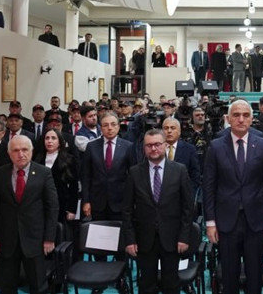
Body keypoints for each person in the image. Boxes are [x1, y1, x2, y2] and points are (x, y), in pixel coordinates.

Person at [203, 100, 263, 294]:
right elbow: (209, 187)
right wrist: (210, 222)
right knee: (229, 276)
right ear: (228, 119)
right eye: (236, 115)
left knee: (255, 275)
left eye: (245, 115)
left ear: (252, 119)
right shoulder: (216, 147)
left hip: (256, 220)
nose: (241, 119)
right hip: (226, 221)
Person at [123, 129, 195, 294]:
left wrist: (184, 237)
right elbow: (127, 210)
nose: (153, 149)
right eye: (149, 145)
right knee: (146, 285)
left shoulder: (180, 170)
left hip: (172, 239)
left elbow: (188, 208)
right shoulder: (134, 172)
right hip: (144, 240)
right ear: (144, 148)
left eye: (157, 144)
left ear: (165, 145)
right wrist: (130, 240)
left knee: (171, 285)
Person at [0, 135, 58, 294]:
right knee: (7, 286)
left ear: (31, 151)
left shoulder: (43, 173)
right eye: (16, 150)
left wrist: (49, 238)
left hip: (35, 239)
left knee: (38, 285)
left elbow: (52, 207)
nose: (20, 154)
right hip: (7, 239)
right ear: (9, 153)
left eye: (25, 149)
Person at [81, 113, 136, 222]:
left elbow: (133, 176)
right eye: (105, 125)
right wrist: (86, 201)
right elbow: (86, 176)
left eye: (113, 124)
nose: (110, 128)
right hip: (97, 203)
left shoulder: (128, 146)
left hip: (120, 203)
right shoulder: (91, 146)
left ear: (118, 126)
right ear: (100, 128)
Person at [35, 129, 79, 223]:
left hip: (61, 205)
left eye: (53, 138)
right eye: (47, 138)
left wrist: (71, 209)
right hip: (40, 205)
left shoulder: (69, 160)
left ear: (59, 142)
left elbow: (73, 186)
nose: (49, 141)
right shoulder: (37, 159)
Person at [162, 117, 202, 195]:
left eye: (173, 128)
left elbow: (195, 176)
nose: (169, 131)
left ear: (179, 131)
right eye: (166, 128)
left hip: (183, 195)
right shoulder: (156, 149)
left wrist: (188, 194)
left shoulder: (189, 149)